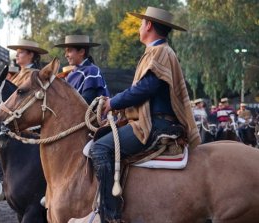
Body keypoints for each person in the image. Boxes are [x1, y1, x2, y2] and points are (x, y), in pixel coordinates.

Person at [89, 7, 200, 222]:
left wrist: (113, 102)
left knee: (100, 148)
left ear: (148, 25)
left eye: (141, 24)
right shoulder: (157, 51)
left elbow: (144, 89)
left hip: (155, 125)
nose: (140, 28)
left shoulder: (160, 52)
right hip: (154, 121)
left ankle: (110, 215)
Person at [0, 39, 48, 198]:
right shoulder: (19, 74)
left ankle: (0, 178)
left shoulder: (33, 75)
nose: (17, 55)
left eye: (21, 52)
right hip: (11, 117)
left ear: (30, 55)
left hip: (26, 120)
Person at [54, 35, 110, 104]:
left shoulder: (92, 71)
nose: (66, 55)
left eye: (69, 51)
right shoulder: (72, 72)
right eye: (66, 51)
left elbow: (86, 102)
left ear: (81, 52)